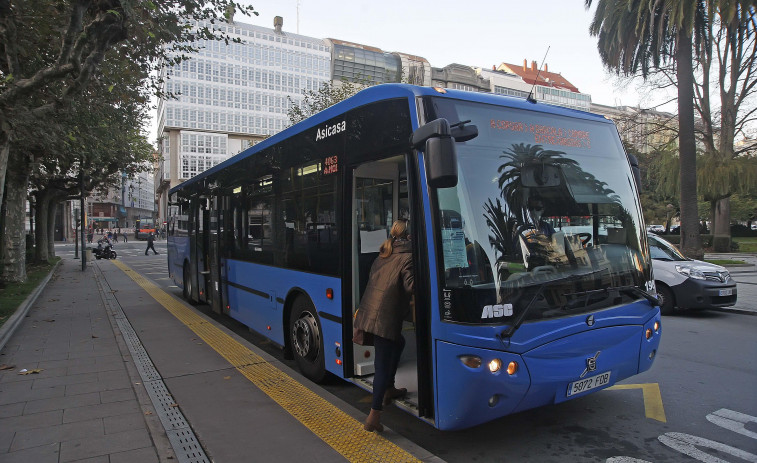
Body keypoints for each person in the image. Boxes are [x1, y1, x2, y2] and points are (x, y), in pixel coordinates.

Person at [353, 219, 414, 432]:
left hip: (372, 313)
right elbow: (411, 287)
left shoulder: (384, 254)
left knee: (399, 343)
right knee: (381, 364)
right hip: (385, 318)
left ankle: (389, 387)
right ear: (408, 237)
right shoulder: (407, 258)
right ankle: (373, 416)